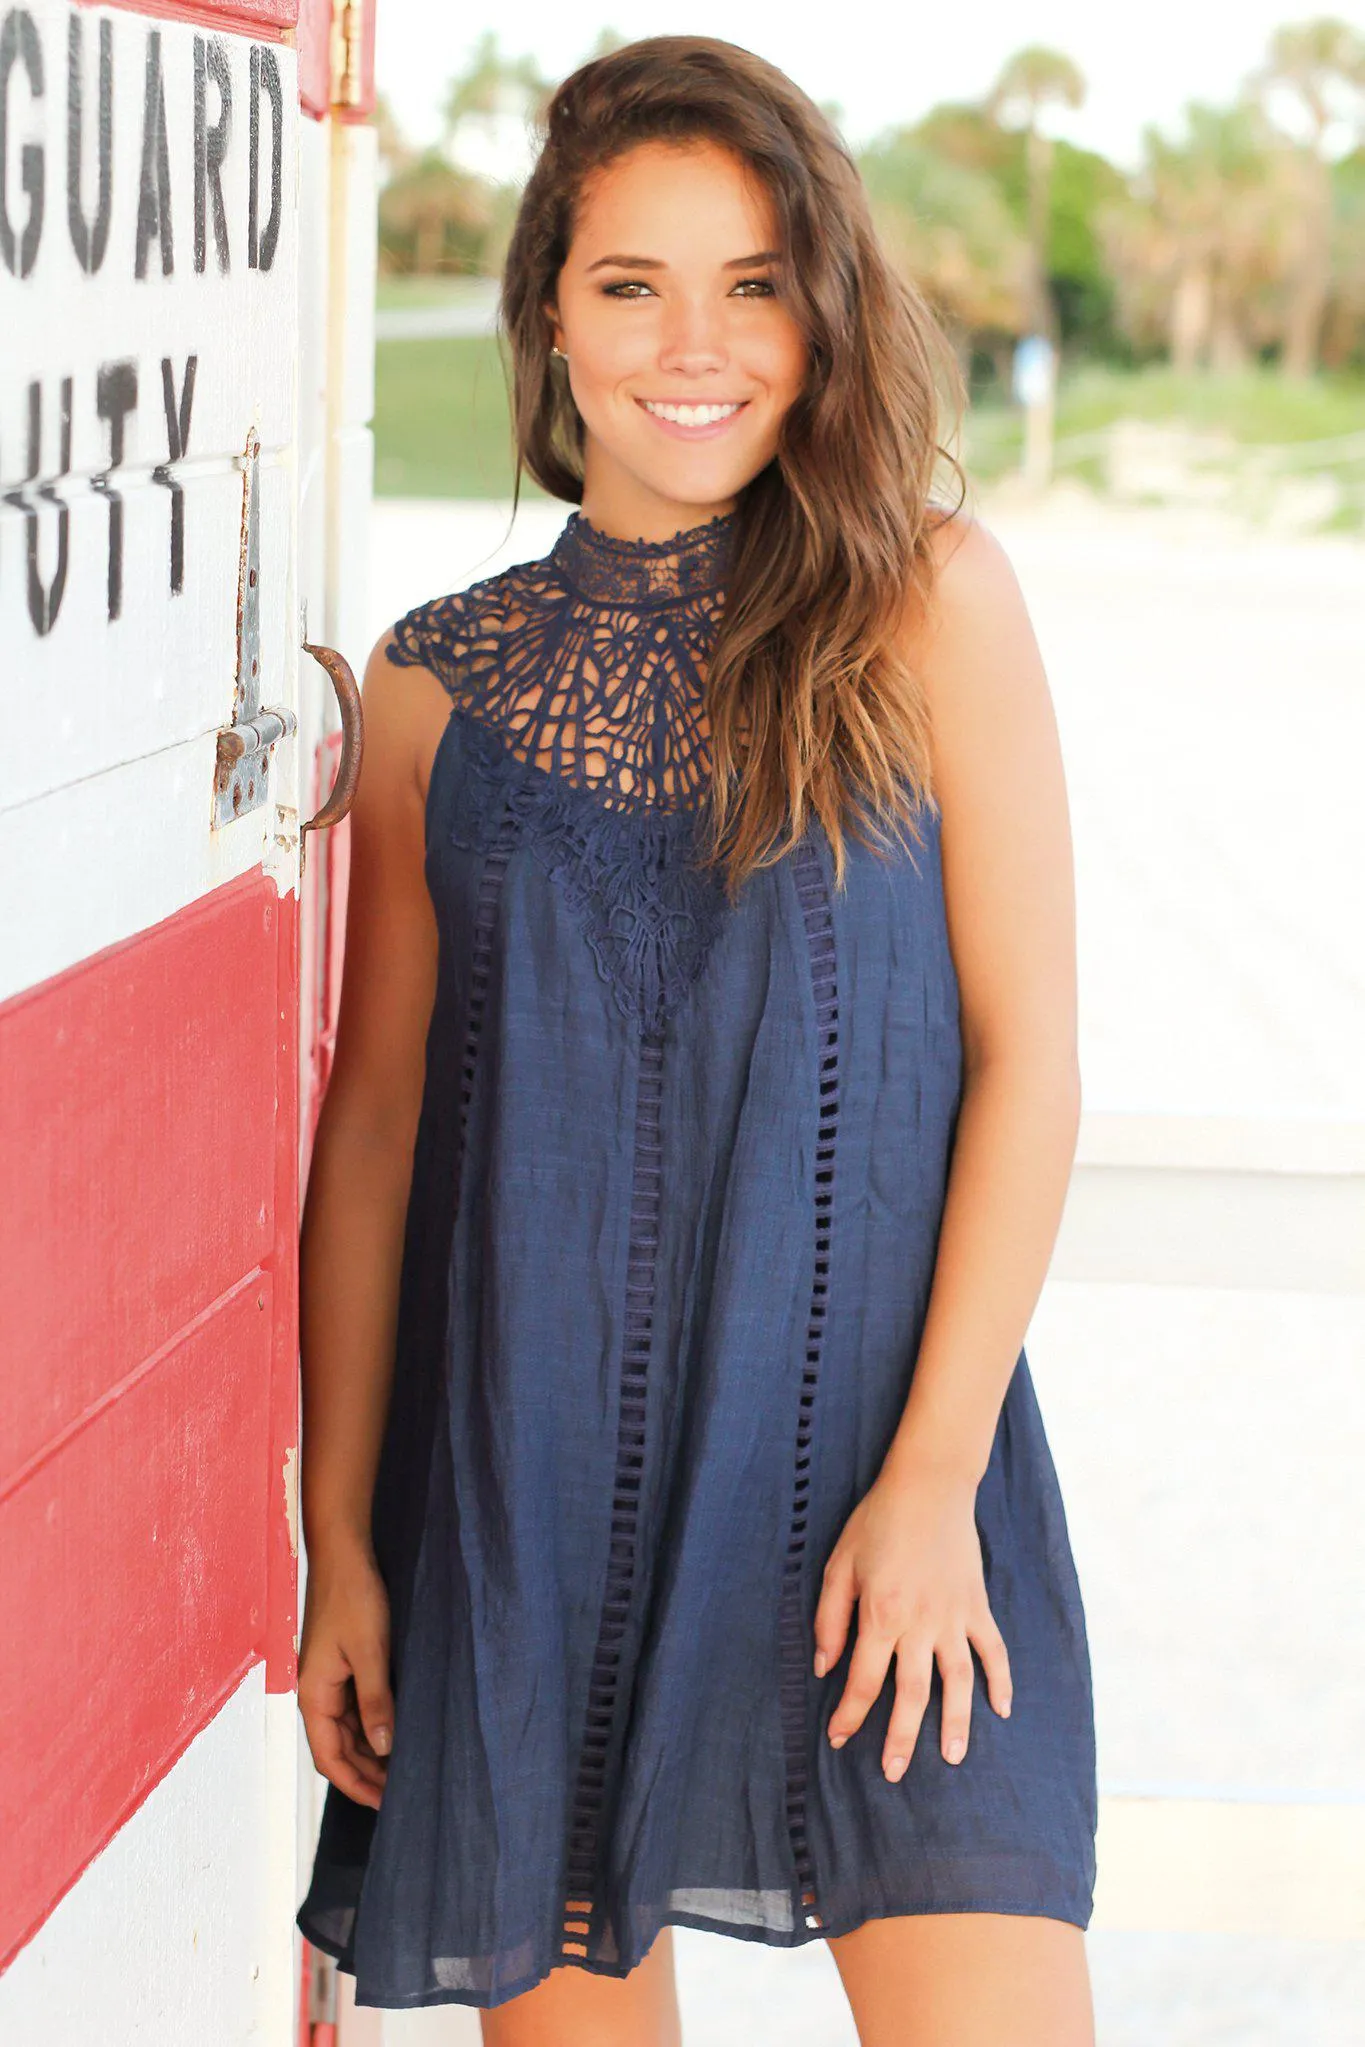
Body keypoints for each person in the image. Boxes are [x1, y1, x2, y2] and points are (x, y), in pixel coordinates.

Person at [294, 33, 1098, 2047]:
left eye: (752, 283)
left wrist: (929, 1487)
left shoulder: (927, 604)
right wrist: (340, 1542)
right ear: (551, 310)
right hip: (525, 1511)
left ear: (820, 312)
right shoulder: (433, 691)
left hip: (873, 1504)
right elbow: (379, 1137)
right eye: (632, 281)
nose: (697, 342)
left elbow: (1029, 1065)